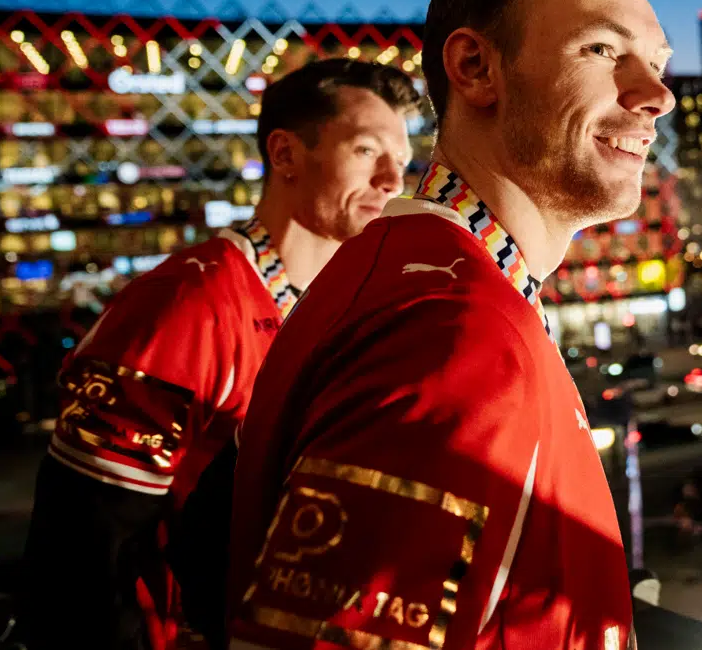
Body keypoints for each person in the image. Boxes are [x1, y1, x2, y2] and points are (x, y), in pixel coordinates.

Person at [225, 0, 673, 650]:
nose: (656, 94)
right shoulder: (452, 334)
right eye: (602, 50)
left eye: (657, 62)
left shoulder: (424, 275)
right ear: (473, 68)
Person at [21, 58, 417, 649]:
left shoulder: (345, 306)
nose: (393, 181)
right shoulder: (187, 304)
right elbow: (81, 564)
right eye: (366, 151)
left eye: (403, 163)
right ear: (284, 155)